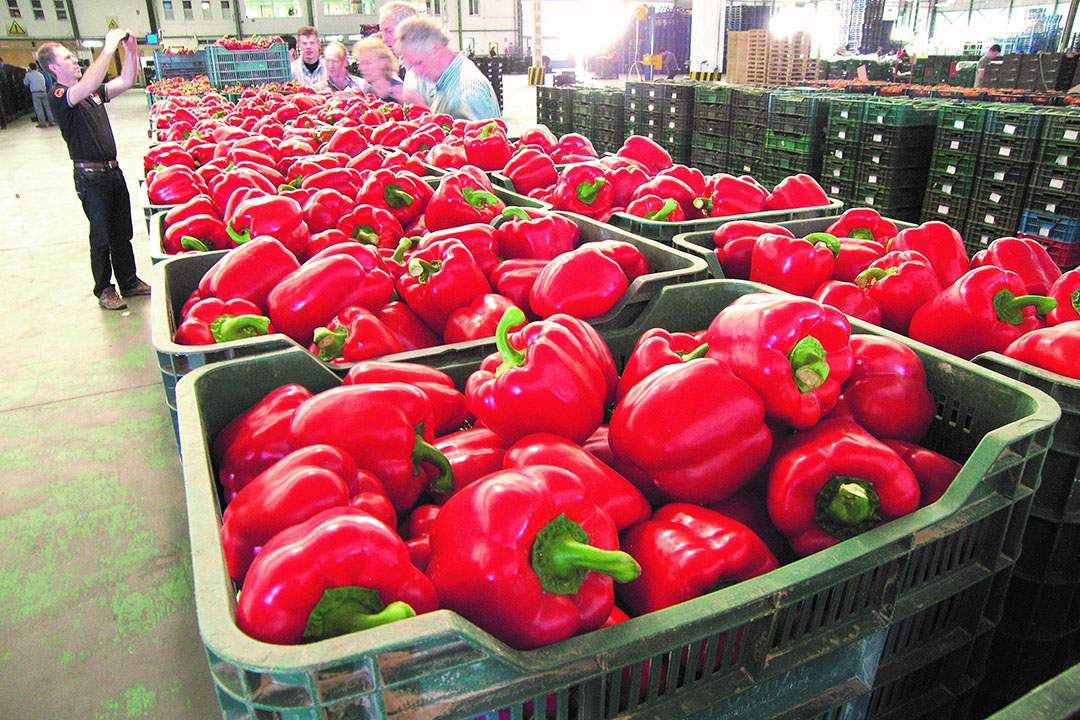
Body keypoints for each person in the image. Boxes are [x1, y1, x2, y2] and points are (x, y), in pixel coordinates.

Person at [37, 29, 150, 311]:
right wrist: (109, 46)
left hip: (112, 171)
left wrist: (131, 51)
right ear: (53, 67)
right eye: (67, 58)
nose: (74, 60)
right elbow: (88, 83)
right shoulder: (61, 94)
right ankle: (104, 288)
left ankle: (129, 280)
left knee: (122, 231)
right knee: (101, 235)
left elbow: (126, 81)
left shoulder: (92, 95)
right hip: (90, 177)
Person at [394, 16, 501, 120]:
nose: (417, 73)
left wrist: (423, 113)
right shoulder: (448, 82)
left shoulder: (466, 93)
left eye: (418, 63)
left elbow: (473, 137)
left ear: (435, 49)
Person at [379, 1, 436, 107]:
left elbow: (448, 119)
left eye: (389, 31)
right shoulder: (409, 66)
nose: (384, 39)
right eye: (382, 32)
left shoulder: (431, 65)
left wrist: (418, 104)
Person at [351, 37, 404, 104]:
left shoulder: (401, 91)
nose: (361, 68)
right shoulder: (367, 94)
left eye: (367, 63)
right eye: (360, 63)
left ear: (384, 62)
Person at [24, 62, 55, 128]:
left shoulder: (28, 75)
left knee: (39, 108)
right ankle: (51, 121)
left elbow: (25, 83)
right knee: (47, 107)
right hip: (44, 92)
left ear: (30, 68)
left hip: (35, 93)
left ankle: (42, 123)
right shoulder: (41, 74)